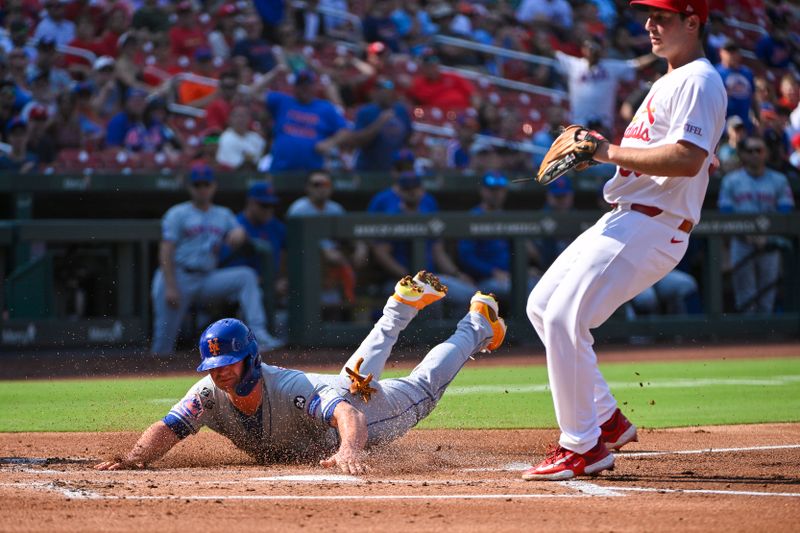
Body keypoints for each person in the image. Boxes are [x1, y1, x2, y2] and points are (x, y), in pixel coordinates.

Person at [523, 0, 726, 481]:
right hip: (626, 218)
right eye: (648, 16)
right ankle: (607, 421)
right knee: (542, 305)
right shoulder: (668, 79)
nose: (650, 24)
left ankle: (583, 447)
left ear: (693, 22)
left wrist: (606, 150)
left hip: (654, 221)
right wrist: (605, 150)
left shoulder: (698, 79)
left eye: (663, 17)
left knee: (565, 316)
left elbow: (686, 159)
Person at [96, 275, 506, 472]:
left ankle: (478, 325)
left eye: (227, 364)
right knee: (352, 378)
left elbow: (349, 414)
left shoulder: (286, 385)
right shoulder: (207, 393)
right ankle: (399, 308)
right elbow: (170, 426)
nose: (219, 373)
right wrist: (134, 459)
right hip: (335, 392)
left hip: (349, 417)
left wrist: (349, 450)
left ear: (251, 360)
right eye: (213, 366)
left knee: (420, 389)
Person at [150, 163, 278, 356]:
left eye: (206, 184)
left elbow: (238, 230)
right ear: (190, 187)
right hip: (178, 276)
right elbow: (166, 250)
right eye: (198, 185)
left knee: (246, 276)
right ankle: (152, 376)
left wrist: (239, 232)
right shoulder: (177, 213)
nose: (202, 189)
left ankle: (259, 332)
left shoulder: (223, 214)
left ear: (214, 186)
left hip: (207, 278)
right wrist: (170, 285)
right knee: (163, 344)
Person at [368, 172, 477, 307]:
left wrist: (456, 274)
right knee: (430, 300)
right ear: (400, 192)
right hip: (399, 281)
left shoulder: (428, 212)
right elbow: (381, 252)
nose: (412, 192)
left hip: (430, 279)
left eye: (415, 188)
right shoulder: (393, 216)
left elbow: (438, 251)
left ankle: (455, 329)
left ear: (422, 190)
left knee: (469, 295)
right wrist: (408, 277)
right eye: (407, 189)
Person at [718, 135, 795, 314]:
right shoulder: (731, 180)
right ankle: (747, 337)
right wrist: (748, 235)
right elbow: (725, 213)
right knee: (745, 294)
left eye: (758, 150)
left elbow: (785, 211)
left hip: (771, 242)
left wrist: (766, 236)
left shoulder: (779, 180)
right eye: (750, 151)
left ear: (766, 153)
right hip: (741, 241)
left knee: (768, 293)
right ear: (743, 155)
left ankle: (767, 337)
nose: (754, 154)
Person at [287, 170, 368, 305]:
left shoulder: (335, 209)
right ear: (308, 188)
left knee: (353, 258)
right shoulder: (298, 209)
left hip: (336, 263)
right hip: (307, 262)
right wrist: (323, 251)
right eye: (316, 184)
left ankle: (352, 306)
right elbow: (291, 245)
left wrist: (360, 246)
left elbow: (350, 234)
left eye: (325, 184)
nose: (321, 188)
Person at [458, 172, 539, 300]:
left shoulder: (507, 218)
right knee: (512, 288)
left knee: (538, 284)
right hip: (485, 279)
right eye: (492, 190)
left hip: (510, 275)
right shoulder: (473, 217)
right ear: (483, 191)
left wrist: (524, 270)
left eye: (500, 190)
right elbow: (466, 258)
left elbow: (516, 253)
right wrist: (492, 272)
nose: (496, 194)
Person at [554, 35, 657, 134]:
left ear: (601, 50)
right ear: (583, 49)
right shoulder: (574, 64)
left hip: (603, 125)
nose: (591, 51)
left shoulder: (610, 67)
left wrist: (657, 54)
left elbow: (636, 64)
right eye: (589, 47)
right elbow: (552, 53)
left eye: (595, 48)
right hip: (578, 125)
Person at [264, 69, 351, 173]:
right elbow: (251, 93)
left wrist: (329, 143)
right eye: (301, 86)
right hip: (280, 170)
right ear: (295, 87)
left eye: (307, 85)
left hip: (313, 173)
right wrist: (274, 74)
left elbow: (345, 131)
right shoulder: (282, 101)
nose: (304, 89)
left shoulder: (325, 108)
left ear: (314, 87)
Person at [715, 39, 756, 133]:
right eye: (728, 51)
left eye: (734, 51)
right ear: (721, 53)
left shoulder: (747, 72)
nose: (731, 55)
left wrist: (757, 118)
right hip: (723, 124)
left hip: (744, 122)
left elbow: (753, 97)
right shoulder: (716, 72)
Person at [216, 105, 267, 171]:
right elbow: (232, 164)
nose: (240, 119)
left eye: (243, 116)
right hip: (232, 176)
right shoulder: (225, 138)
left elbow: (262, 161)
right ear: (230, 119)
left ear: (249, 119)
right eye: (237, 116)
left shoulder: (256, 138)